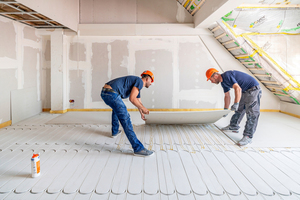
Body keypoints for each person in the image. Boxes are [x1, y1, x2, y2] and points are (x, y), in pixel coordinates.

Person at [101, 70, 154, 156]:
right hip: (111, 93)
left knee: (116, 108)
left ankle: (115, 132)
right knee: (125, 118)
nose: (151, 83)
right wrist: (143, 108)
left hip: (105, 92)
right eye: (151, 81)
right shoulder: (139, 81)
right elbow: (132, 99)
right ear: (148, 78)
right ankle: (138, 149)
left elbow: (138, 101)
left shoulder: (137, 85)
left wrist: (142, 112)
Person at [206, 68, 262, 146]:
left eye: (210, 79)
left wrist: (236, 103)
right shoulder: (223, 83)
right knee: (240, 109)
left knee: (252, 114)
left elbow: (237, 88)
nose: (211, 81)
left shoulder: (227, 75)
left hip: (253, 89)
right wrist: (225, 110)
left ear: (215, 75)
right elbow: (227, 96)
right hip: (245, 90)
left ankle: (248, 136)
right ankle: (233, 126)